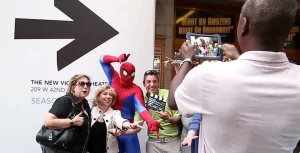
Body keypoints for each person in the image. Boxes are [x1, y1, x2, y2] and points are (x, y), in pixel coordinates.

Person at [168, 0, 300, 153]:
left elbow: (173, 101)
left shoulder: (207, 75)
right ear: (288, 32)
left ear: (243, 25)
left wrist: (186, 59)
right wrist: (238, 58)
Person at [99, 54, 162, 153]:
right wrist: (117, 59)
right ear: (121, 72)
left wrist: (150, 120)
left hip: (128, 130)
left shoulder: (135, 90)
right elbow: (102, 59)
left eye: (131, 74)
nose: (128, 77)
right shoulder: (114, 78)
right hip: (111, 128)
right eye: (126, 73)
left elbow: (141, 108)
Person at [134, 70, 181, 153]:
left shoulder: (169, 94)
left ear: (158, 83)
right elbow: (137, 125)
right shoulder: (141, 102)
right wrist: (124, 128)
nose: (152, 84)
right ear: (144, 84)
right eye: (148, 82)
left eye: (154, 81)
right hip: (153, 143)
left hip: (172, 142)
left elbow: (177, 118)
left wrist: (168, 118)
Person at [43, 74, 92, 153]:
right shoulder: (65, 101)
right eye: (81, 83)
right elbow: (48, 122)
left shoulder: (85, 103)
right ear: (73, 87)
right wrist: (71, 122)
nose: (86, 86)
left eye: (88, 84)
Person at [87, 84, 143, 153]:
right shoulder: (90, 111)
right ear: (98, 97)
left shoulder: (115, 113)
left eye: (110, 95)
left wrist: (129, 125)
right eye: (105, 94)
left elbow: (120, 121)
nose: (108, 97)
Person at [163, 57, 202, 153]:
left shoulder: (201, 98)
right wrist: (178, 68)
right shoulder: (185, 93)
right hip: (185, 139)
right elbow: (181, 85)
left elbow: (197, 119)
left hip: (198, 140)